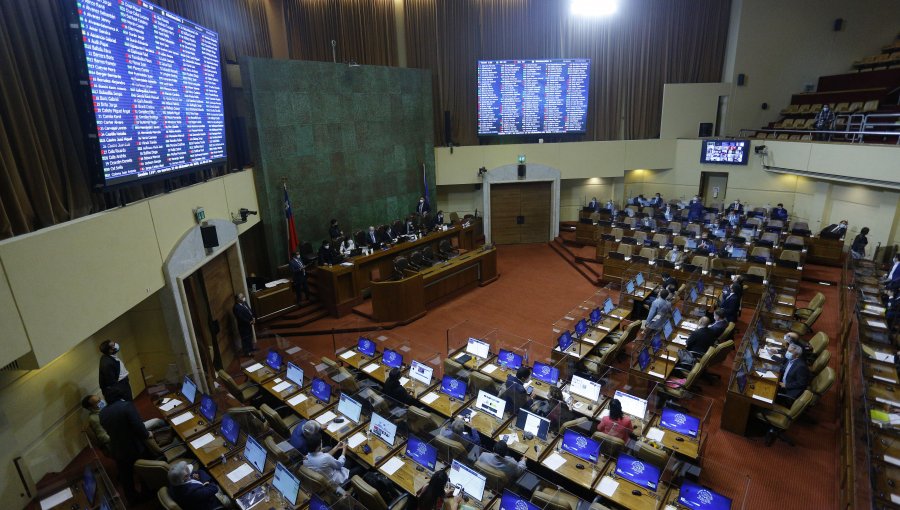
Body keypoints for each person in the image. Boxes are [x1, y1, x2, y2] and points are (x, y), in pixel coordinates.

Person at [100, 398, 151, 503]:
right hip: (132, 447)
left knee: (126, 476)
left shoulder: (102, 413)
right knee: (145, 467)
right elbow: (139, 427)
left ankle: (131, 498)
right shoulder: (127, 406)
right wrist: (147, 434)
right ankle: (147, 493)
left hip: (117, 448)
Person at [81, 394, 165, 454]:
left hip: (127, 428)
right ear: (90, 408)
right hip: (122, 438)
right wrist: (123, 435)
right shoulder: (94, 418)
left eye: (100, 399)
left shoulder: (105, 409)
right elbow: (104, 438)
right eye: (97, 402)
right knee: (147, 431)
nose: (101, 402)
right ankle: (160, 452)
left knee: (156, 421)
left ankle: (164, 437)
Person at [776, 339, 811, 406]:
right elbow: (784, 368)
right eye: (788, 350)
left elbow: (801, 383)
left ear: (797, 355)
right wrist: (771, 367)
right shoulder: (791, 358)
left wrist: (786, 385)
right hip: (783, 382)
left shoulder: (801, 367)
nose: (787, 353)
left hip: (787, 392)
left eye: (790, 352)